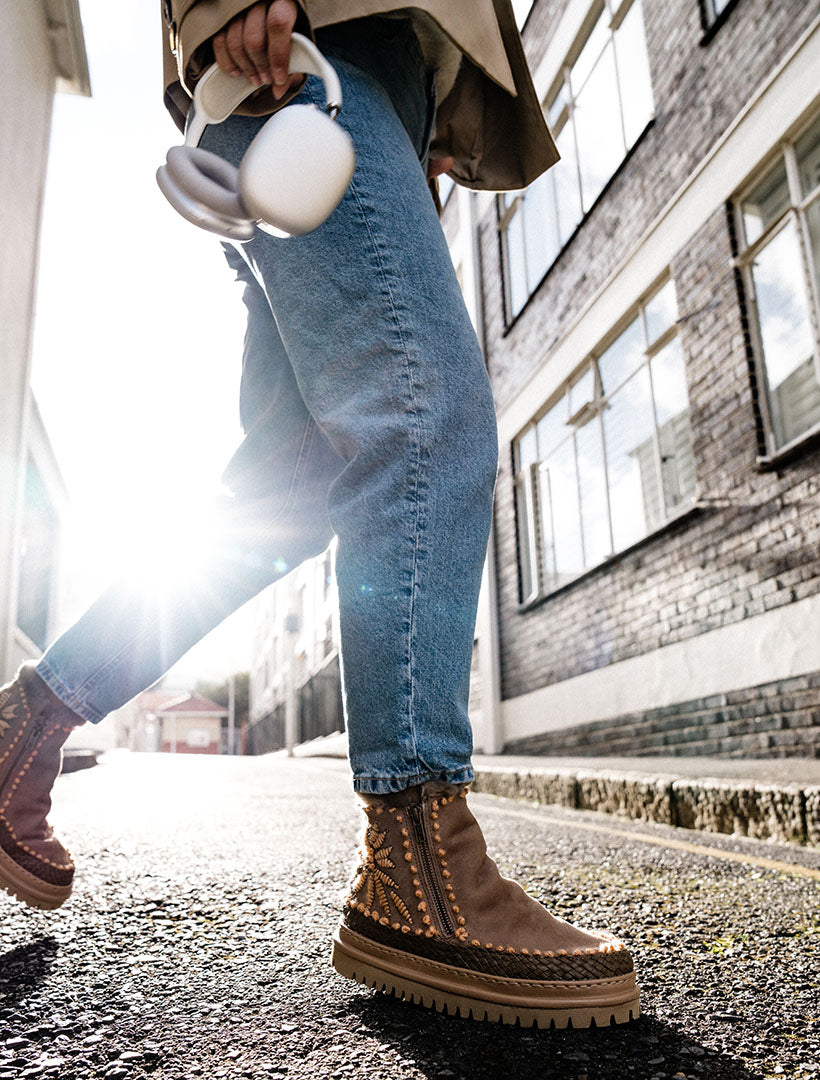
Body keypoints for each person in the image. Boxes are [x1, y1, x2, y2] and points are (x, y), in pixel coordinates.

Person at [0, 0, 640, 1028]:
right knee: (421, 420)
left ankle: (23, 732)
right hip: (304, 60)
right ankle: (420, 859)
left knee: (286, 493)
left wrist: (421, 125)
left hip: (362, 84)